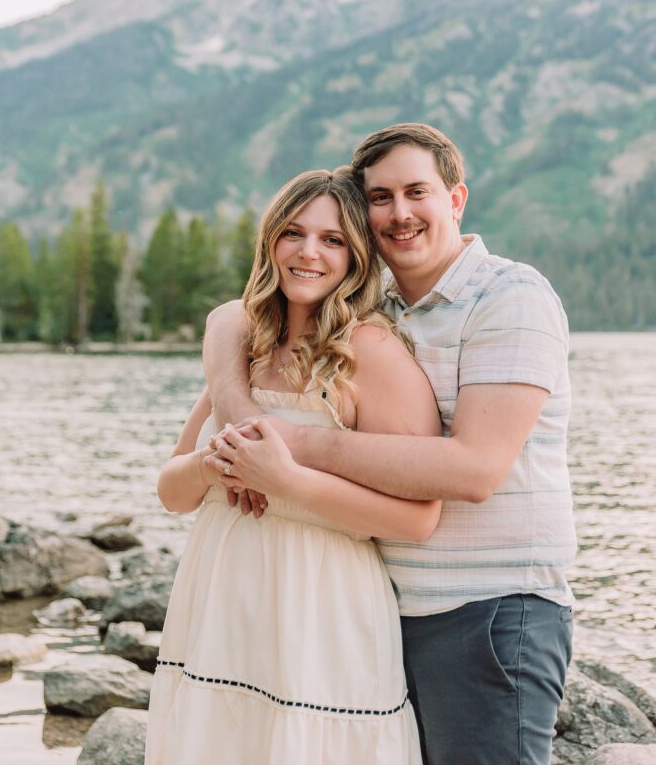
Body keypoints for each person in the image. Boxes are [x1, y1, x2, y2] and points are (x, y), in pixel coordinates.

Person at [204, 123, 576, 765]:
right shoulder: (377, 309)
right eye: (379, 198)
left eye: (416, 192)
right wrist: (238, 410)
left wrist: (290, 447)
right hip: (388, 605)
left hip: (491, 611)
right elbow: (232, 316)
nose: (399, 213)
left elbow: (474, 470)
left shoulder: (509, 298)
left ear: (455, 200)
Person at [145, 167, 443, 765]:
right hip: (221, 603)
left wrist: (284, 481)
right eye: (293, 233)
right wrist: (215, 464)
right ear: (269, 242)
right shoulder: (244, 348)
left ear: (357, 256)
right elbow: (171, 492)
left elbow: (417, 520)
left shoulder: (371, 351)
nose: (309, 253)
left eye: (333, 240)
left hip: (321, 609)